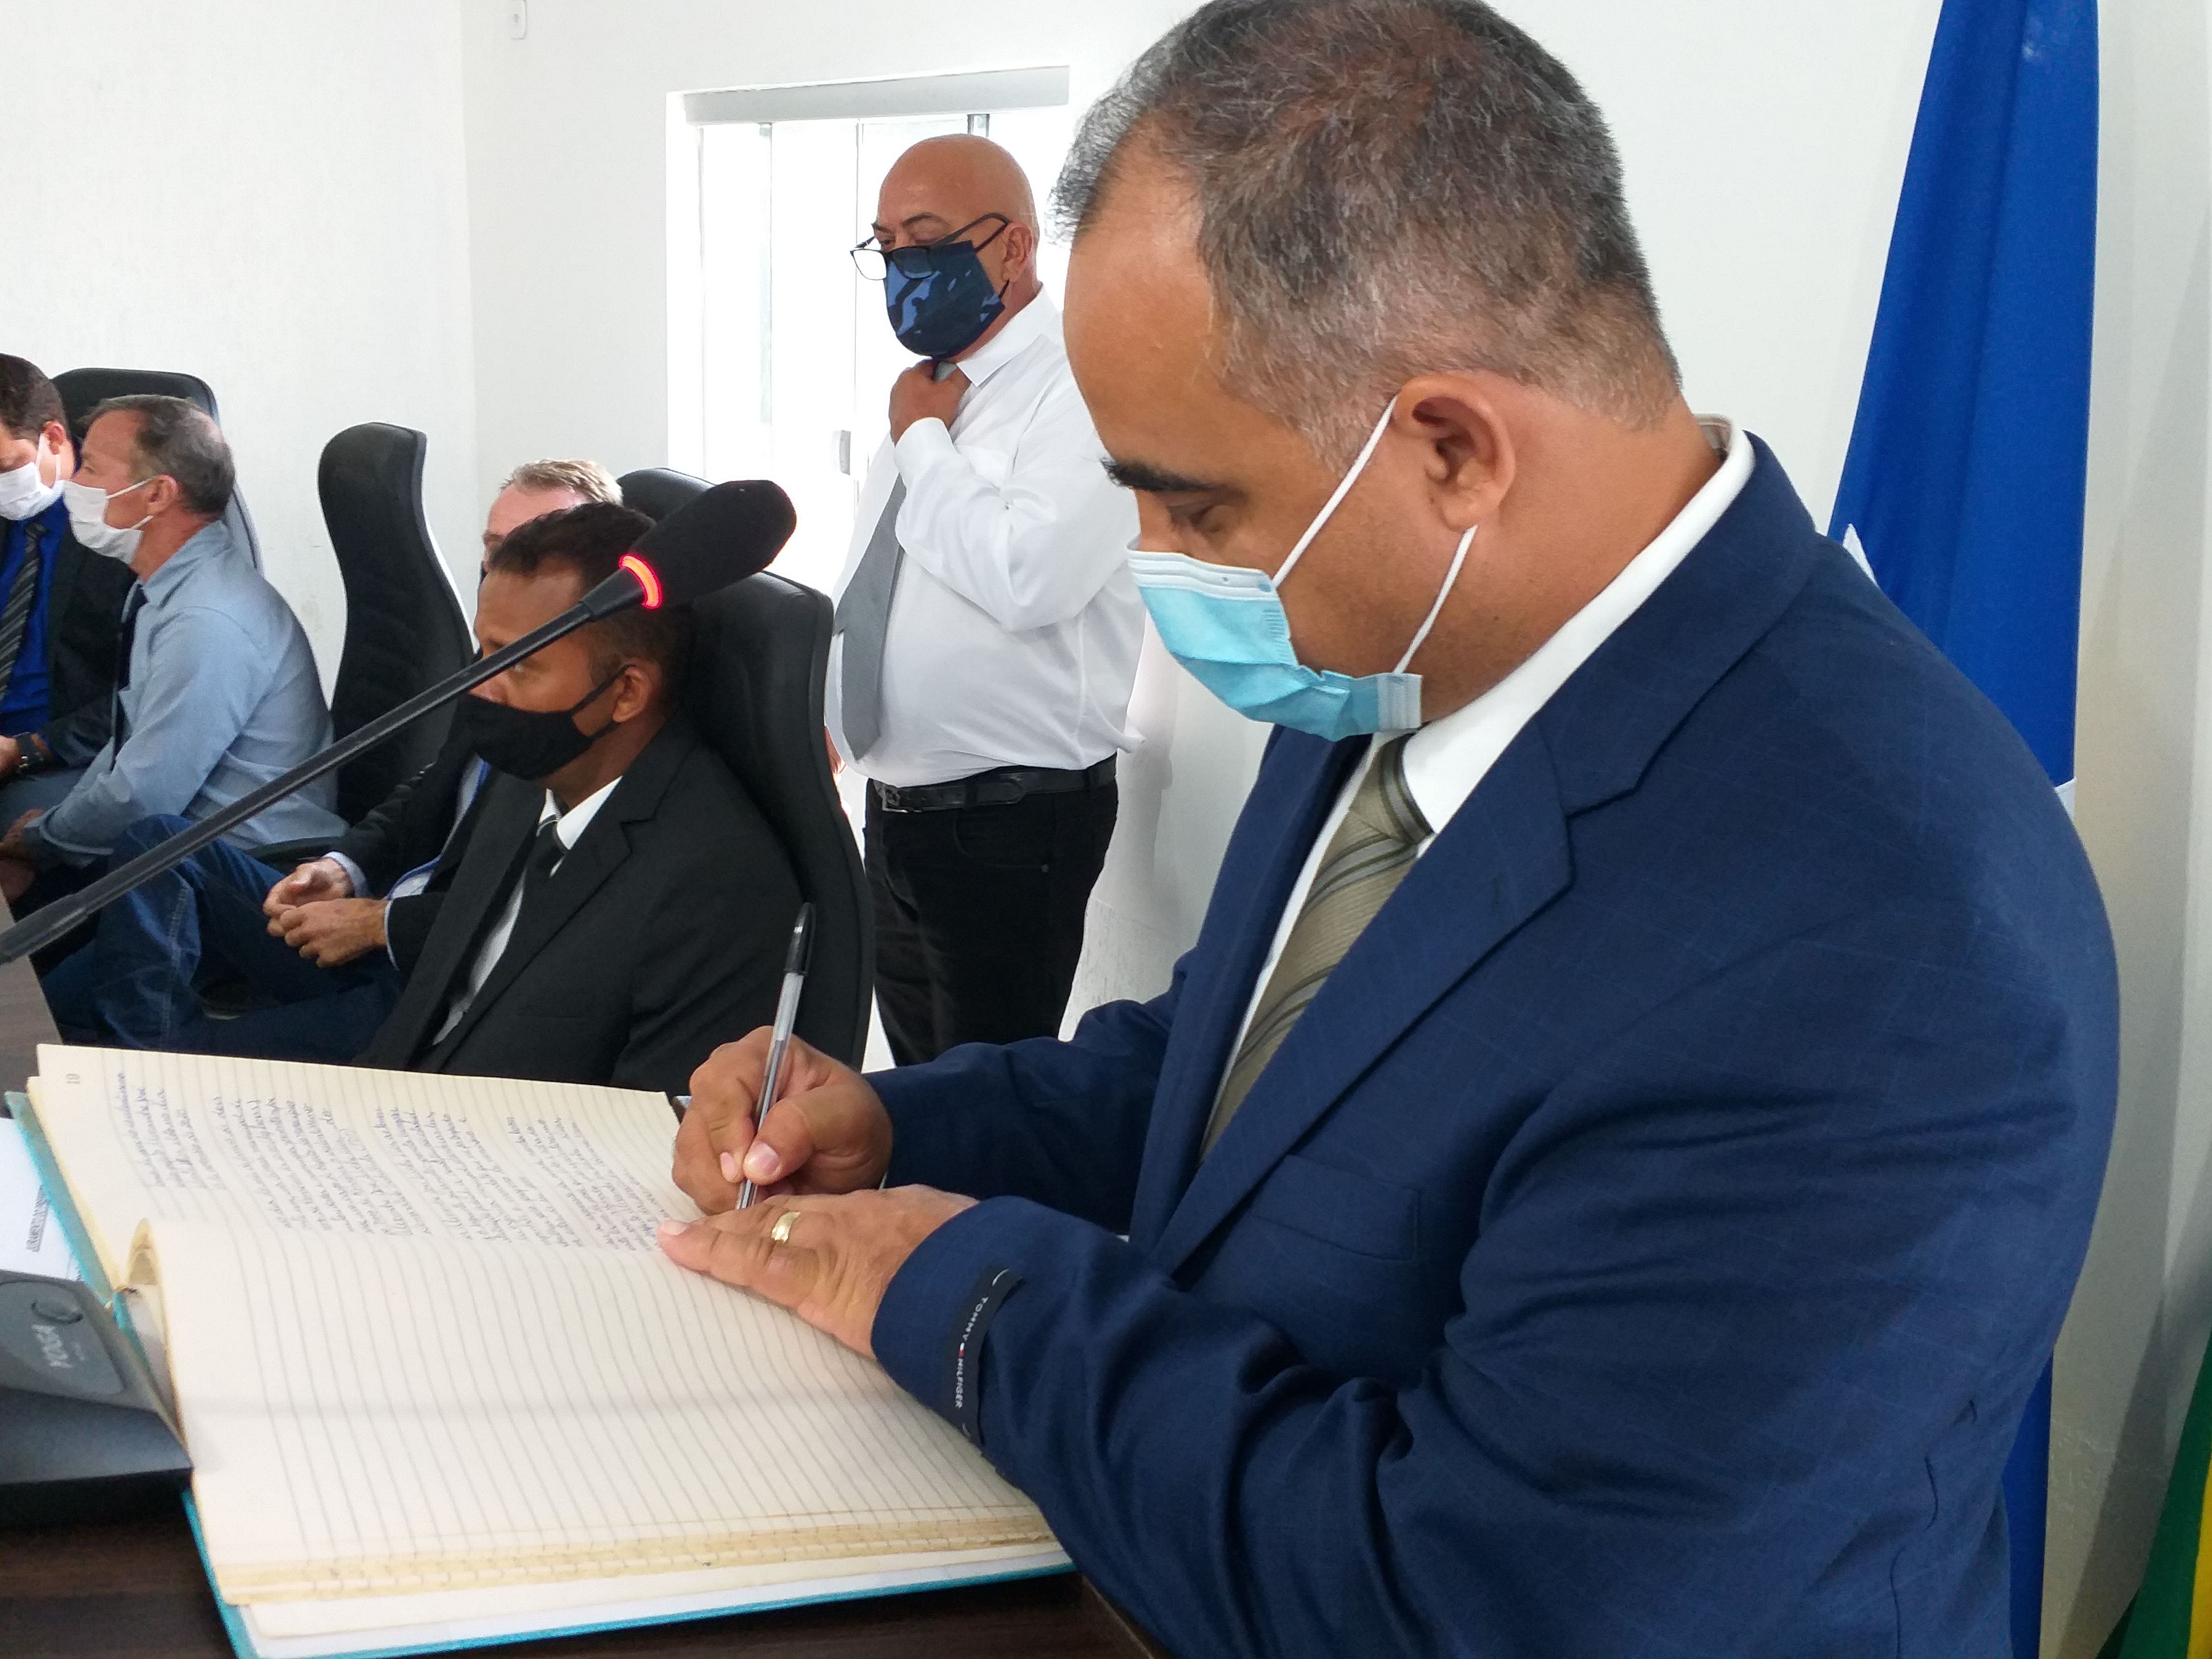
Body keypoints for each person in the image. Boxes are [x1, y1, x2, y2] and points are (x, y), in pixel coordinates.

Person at [659, 4, 2119, 1656]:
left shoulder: (1884, 932)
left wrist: (967, 1288)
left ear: (1450, 450)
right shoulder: (1395, 649)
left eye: (1194, 503)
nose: (1154, 562)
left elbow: (1479, 1604)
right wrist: (907, 1126)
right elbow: (1242, 1075)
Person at [42, 461, 623, 1060]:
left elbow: (532, 910)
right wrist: (344, 866)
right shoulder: (495, 656)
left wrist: (381, 923)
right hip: (380, 926)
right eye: (496, 549)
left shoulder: (586, 715)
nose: (503, 571)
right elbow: (432, 787)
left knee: (172, 1049)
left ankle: (144, 1064)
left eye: (531, 552)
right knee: (157, 847)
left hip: (433, 991)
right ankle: (140, 1055)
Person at [831, 134, 1141, 1064]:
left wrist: (925, 444)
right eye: (887, 243)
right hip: (895, 806)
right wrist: (831, 720)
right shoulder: (925, 390)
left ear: (1013, 246)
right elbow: (881, 582)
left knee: (990, 1098)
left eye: (926, 240)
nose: (903, 265)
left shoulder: (1087, 383)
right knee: (916, 1100)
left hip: (1010, 817)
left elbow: (1029, 578)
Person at [349, 501, 799, 1092]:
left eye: (517, 665)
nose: (481, 687)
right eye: (483, 651)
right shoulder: (528, 777)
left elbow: (652, 1127)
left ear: (626, 693)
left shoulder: (715, 884)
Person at [0, 395, 341, 914]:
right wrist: (50, 830)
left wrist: (41, 840)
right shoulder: (163, 589)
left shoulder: (206, 619)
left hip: (239, 880)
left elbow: (144, 794)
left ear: (158, 494)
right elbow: (129, 744)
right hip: (169, 852)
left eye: (91, 468)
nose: (75, 484)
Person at [0, 357, 137, 824]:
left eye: (3, 466)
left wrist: (25, 749)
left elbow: (144, 695)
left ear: (54, 439)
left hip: (64, 748)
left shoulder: (125, 524)